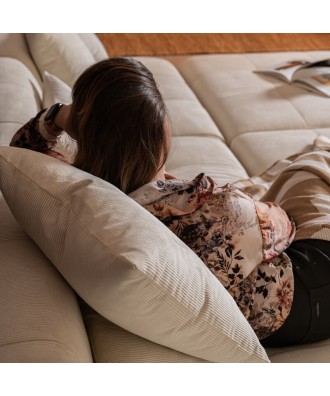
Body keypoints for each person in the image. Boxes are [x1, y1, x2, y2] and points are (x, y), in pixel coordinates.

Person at [10, 57, 330, 348]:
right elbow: (283, 227)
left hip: (278, 304)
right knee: (313, 163)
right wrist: (251, 205)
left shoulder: (97, 186)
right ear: (158, 134)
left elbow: (23, 146)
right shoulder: (209, 207)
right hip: (311, 291)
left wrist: (62, 116)